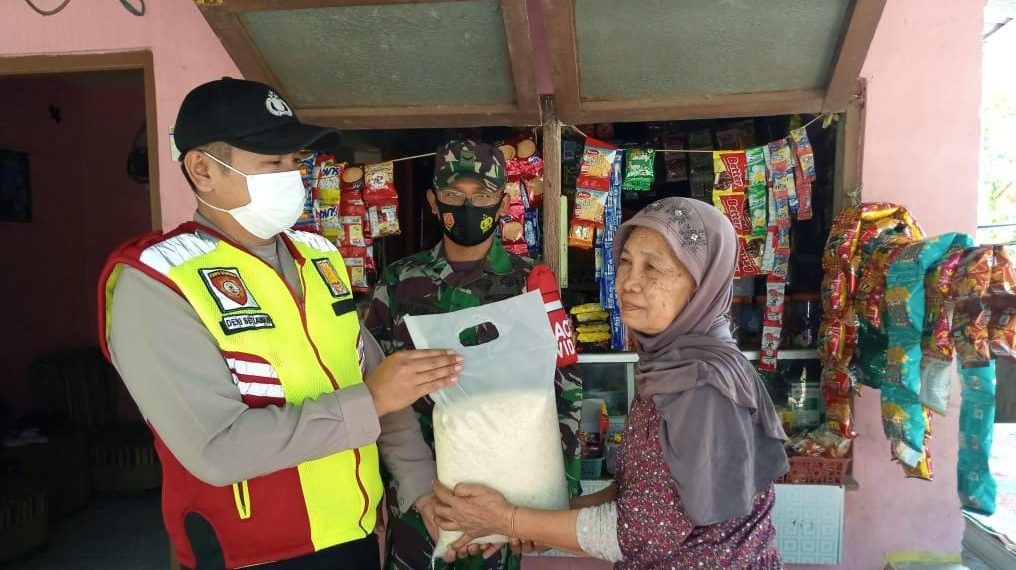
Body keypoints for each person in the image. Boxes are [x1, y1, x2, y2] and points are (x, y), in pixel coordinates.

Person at [98, 77, 455, 570]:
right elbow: (216, 448)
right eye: (272, 161)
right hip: (249, 555)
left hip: (352, 539)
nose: (294, 176)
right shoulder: (158, 282)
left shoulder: (319, 258)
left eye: (295, 160)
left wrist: (419, 489)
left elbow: (381, 393)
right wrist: (370, 400)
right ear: (202, 169)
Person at [431, 197, 791, 569]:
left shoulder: (702, 384)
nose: (630, 283)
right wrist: (525, 526)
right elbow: (634, 498)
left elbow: (636, 535)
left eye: (653, 268)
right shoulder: (669, 363)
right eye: (625, 262)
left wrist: (506, 519)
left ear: (701, 284)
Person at [365, 140, 583, 570]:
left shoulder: (532, 282)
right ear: (433, 201)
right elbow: (377, 393)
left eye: (482, 196)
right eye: (454, 196)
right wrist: (417, 492)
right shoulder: (399, 282)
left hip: (506, 492)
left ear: (502, 204)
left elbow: (564, 388)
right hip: (422, 498)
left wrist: (553, 505)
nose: (469, 207)